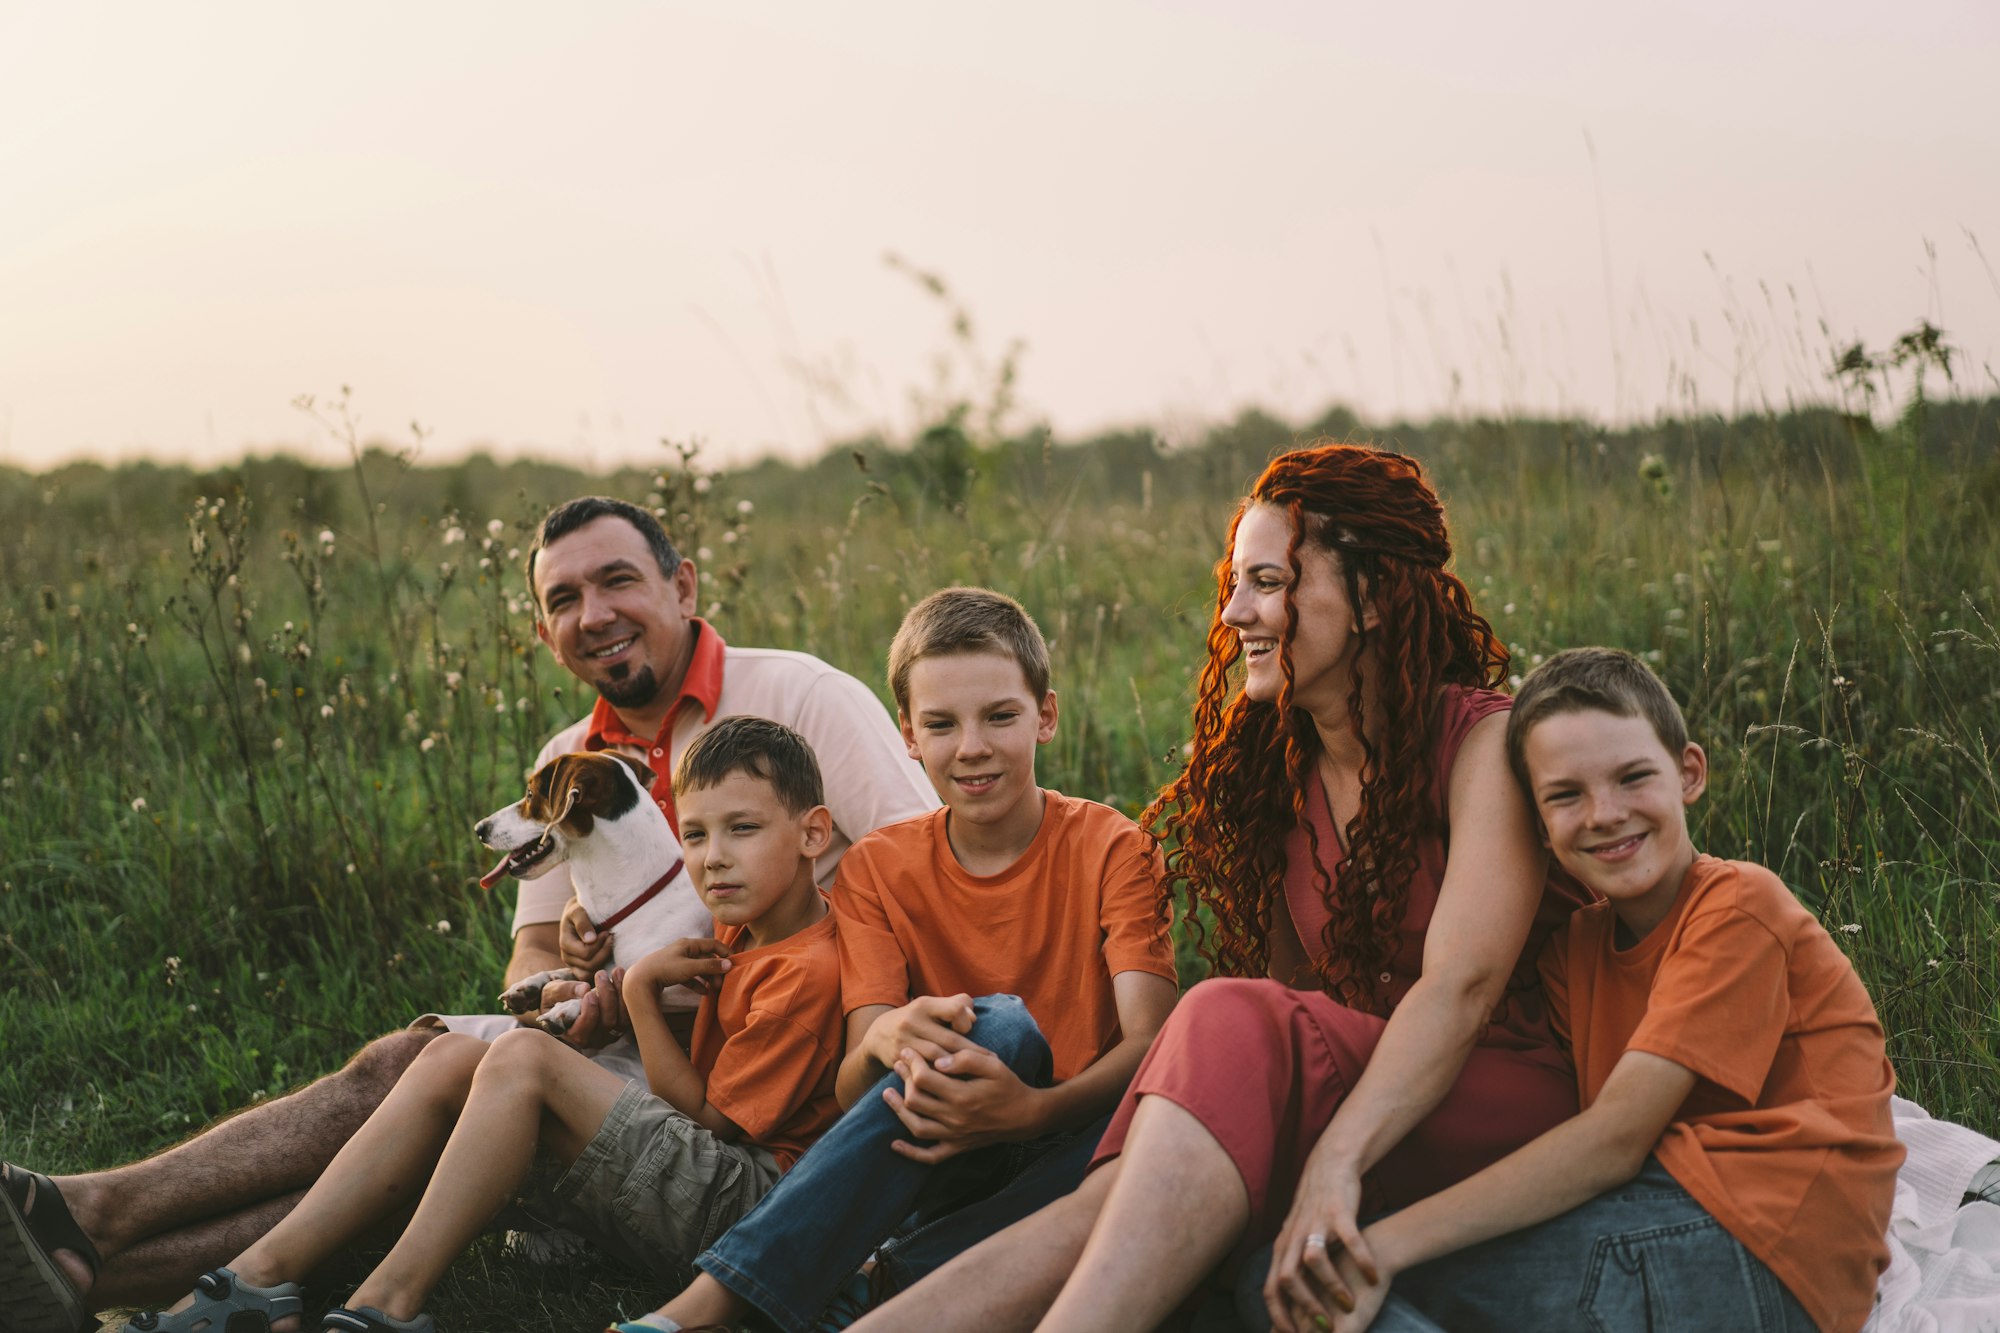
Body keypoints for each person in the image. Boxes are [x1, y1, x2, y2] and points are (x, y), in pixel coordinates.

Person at [1, 496, 935, 1329]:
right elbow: (530, 952)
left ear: (683, 585)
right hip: (617, 1052)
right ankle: (92, 1259)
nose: (595, 613)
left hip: (747, 1066)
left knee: (428, 1077)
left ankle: (96, 1225)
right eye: (565, 599)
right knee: (420, 1062)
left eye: (617, 581)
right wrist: (570, 983)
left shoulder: (802, 697)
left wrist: (729, 964)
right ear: (543, 631)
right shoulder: (567, 756)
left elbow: (913, 870)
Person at [843, 442, 1594, 1333]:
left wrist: (1331, 1163)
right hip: (1364, 1097)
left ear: (1371, 594)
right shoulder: (1281, 775)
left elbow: (1461, 991)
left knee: (1221, 1015)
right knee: (1122, 1185)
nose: (1234, 610)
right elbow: (1304, 1007)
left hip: (1500, 1098)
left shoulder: (1480, 747)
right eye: (1235, 583)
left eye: (1268, 580)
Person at [114, 717, 850, 1333]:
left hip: (756, 1205)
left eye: (742, 830)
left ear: (815, 834)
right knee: (449, 1055)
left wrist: (641, 992)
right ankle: (257, 1276)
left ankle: (385, 1300)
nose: (713, 858)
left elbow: (707, 1119)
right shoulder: (740, 928)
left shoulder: (804, 971)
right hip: (701, 1179)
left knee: (523, 1060)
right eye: (694, 835)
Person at [1255, 648, 1902, 1332]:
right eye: (1566, 795)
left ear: (1689, 773)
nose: (1604, 813)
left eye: (1632, 778)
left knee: (1314, 1277)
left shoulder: (1739, 905)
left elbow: (1614, 1137)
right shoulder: (1578, 950)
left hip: (1764, 1240)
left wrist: (1386, 1246)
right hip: (1668, 1216)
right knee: (1290, 1274)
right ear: (1534, 823)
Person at [619, 586, 1180, 1333]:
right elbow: (856, 1080)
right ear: (908, 735)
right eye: (941, 724)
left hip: (1075, 1138)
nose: (971, 745)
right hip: (940, 1137)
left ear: (1045, 714)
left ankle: (867, 1289)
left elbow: (1151, 1047)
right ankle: (705, 1310)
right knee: (992, 1030)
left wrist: (1029, 1112)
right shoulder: (879, 866)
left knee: (1019, 1039)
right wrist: (884, 1036)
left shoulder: (1114, 846)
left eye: (1000, 716)